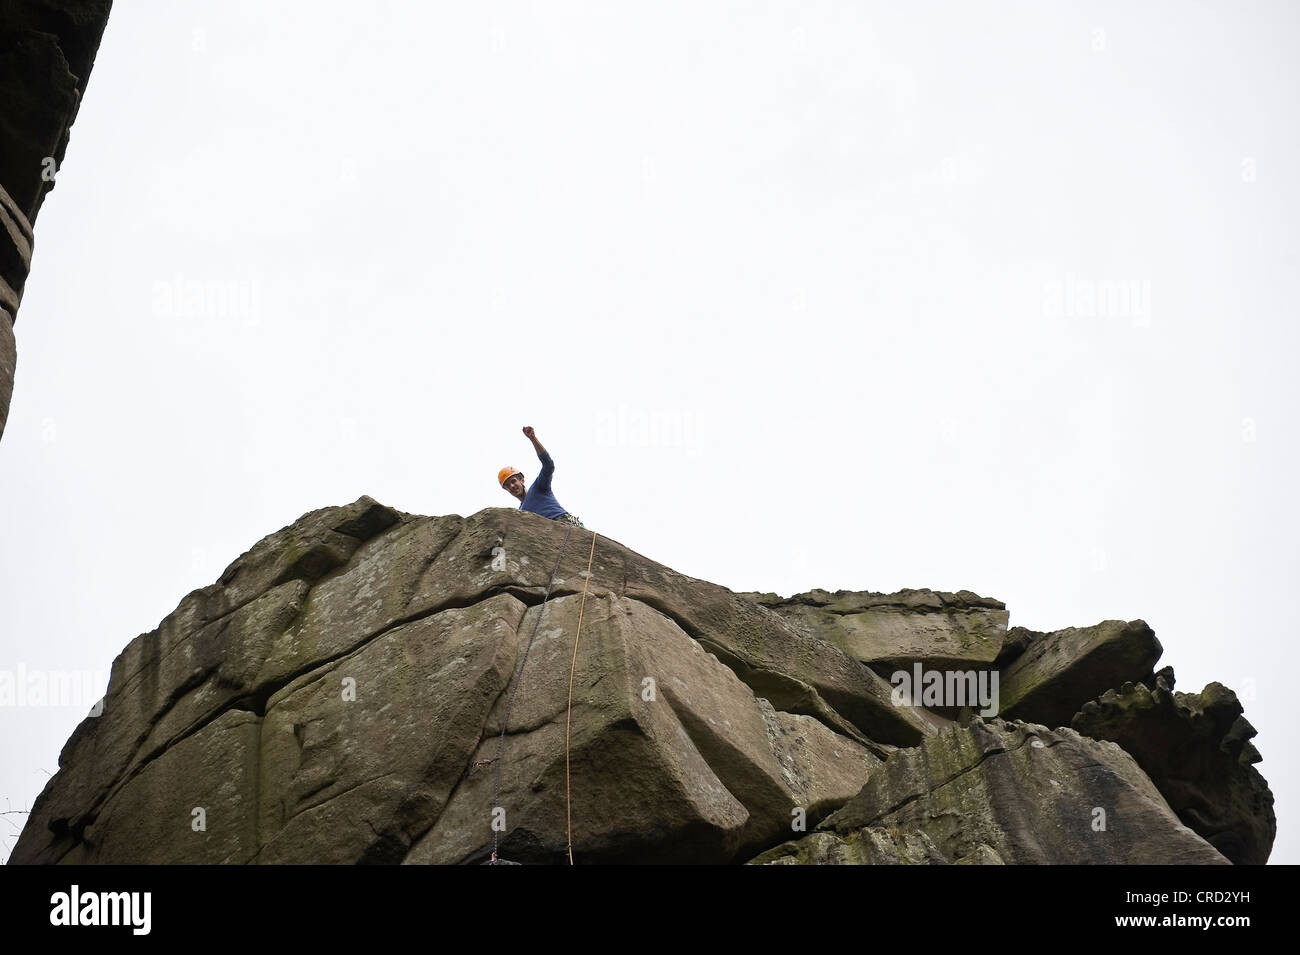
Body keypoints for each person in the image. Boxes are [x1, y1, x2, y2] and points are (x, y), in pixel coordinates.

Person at [498, 426, 584, 528]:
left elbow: (548, 465)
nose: (511, 486)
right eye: (507, 486)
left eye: (513, 481)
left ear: (522, 479)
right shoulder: (521, 513)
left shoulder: (538, 487)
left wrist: (533, 439)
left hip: (563, 523)